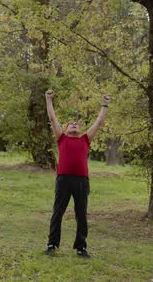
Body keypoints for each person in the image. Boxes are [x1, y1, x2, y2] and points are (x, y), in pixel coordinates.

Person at [43, 89, 110, 258]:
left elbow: (99, 122)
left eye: (77, 124)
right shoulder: (61, 138)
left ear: (80, 130)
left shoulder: (85, 139)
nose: (74, 124)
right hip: (63, 180)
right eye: (70, 124)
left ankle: (81, 247)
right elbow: (52, 118)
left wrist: (104, 104)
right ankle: (52, 244)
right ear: (65, 129)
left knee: (81, 213)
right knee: (58, 211)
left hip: (81, 181)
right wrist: (48, 100)